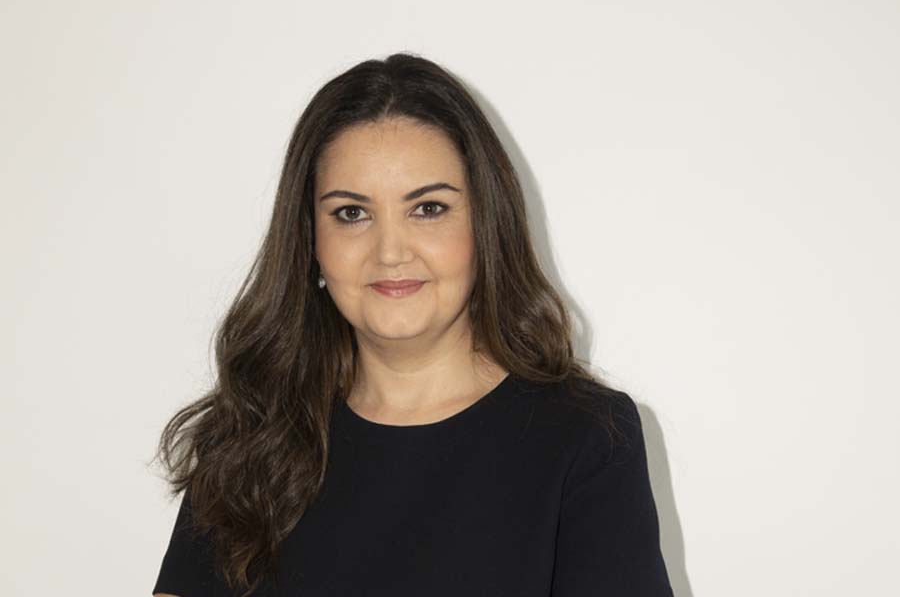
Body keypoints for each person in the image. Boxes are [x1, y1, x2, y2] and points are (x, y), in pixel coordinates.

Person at [151, 52, 673, 597]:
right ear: (310, 239)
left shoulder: (587, 438)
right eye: (352, 213)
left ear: (486, 224)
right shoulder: (250, 435)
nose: (390, 251)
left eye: (428, 208)